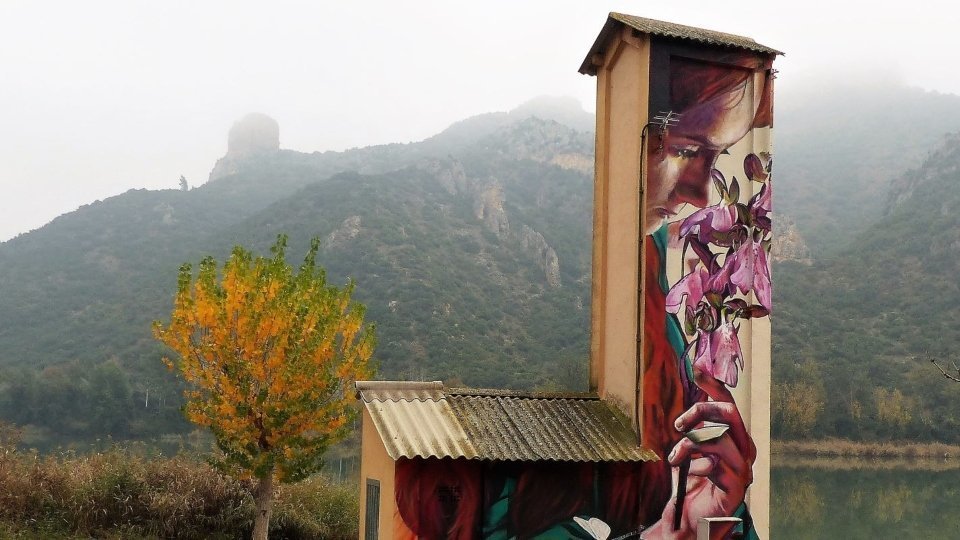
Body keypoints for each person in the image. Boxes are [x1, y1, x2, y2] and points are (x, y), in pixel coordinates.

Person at [391, 51, 775, 540]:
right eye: (684, 150)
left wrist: (711, 519)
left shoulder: (666, 328)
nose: (700, 195)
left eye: (715, 156)